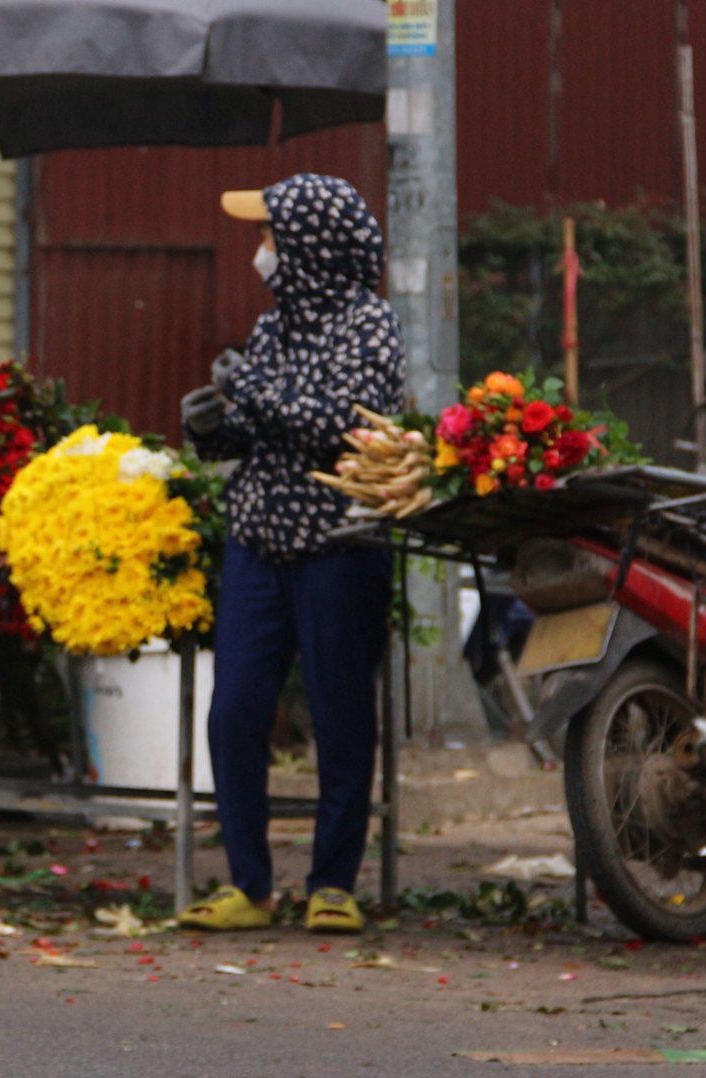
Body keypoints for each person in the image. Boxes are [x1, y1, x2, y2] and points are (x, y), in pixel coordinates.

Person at [178, 174, 403, 933]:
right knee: (235, 708)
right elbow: (256, 436)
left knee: (340, 714)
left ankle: (332, 883)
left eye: (269, 234)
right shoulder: (275, 328)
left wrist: (256, 395)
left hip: (338, 547)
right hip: (258, 540)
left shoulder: (370, 325)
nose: (260, 249)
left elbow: (344, 425)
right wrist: (211, 424)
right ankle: (251, 884)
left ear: (307, 246)